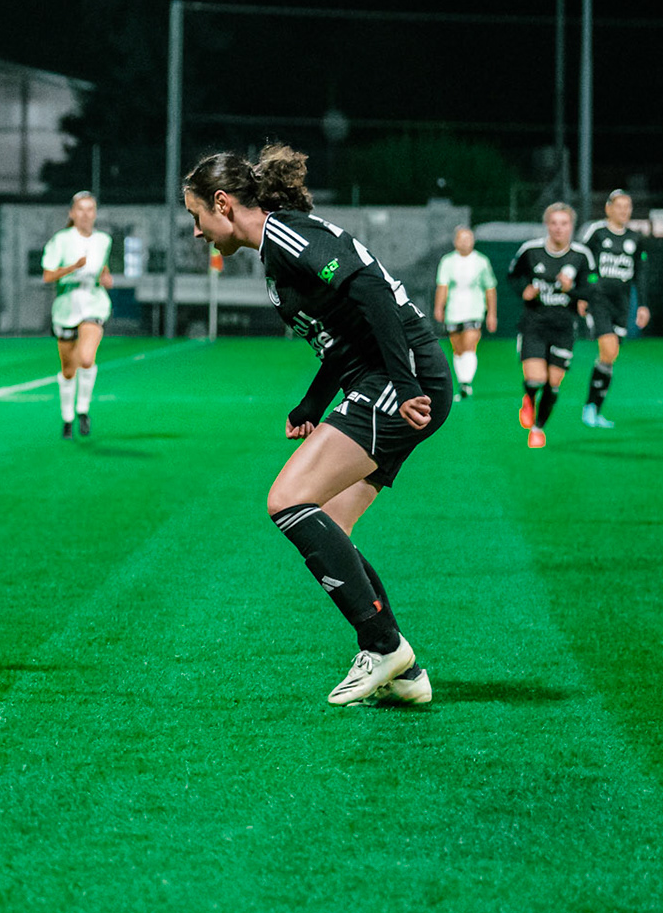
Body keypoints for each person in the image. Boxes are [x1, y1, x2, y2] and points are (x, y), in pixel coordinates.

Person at [183, 147, 444, 707]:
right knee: (329, 522)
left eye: (196, 215)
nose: (198, 231)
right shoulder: (276, 252)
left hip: (397, 380)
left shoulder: (288, 237)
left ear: (223, 204)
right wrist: (311, 403)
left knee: (287, 499)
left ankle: (382, 645)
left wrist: (404, 384)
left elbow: (373, 290)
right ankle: (405, 673)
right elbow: (344, 335)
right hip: (383, 379)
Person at [509, 203, 595, 449]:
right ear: (547, 225)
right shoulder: (531, 250)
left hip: (564, 328)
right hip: (534, 324)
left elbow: (591, 287)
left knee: (554, 382)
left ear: (571, 226)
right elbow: (513, 276)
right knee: (536, 378)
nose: (559, 228)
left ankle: (538, 428)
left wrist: (575, 292)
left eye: (564, 223)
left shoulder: (581, 255)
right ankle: (528, 397)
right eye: (554, 223)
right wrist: (524, 291)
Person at [41, 191, 113, 438]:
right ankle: (67, 418)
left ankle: (83, 410)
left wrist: (105, 276)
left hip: (94, 304)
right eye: (80, 209)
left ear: (95, 213)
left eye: (90, 209)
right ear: (72, 213)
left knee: (86, 357)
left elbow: (103, 267)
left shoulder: (103, 240)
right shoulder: (61, 240)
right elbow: (48, 275)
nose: (85, 214)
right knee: (69, 369)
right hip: (66, 307)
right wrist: (73, 267)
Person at [577, 190, 650, 428]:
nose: (624, 211)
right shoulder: (596, 232)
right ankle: (590, 409)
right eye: (620, 206)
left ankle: (594, 409)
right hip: (599, 301)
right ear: (608, 208)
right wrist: (582, 294)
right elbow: (581, 262)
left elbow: (640, 273)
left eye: (628, 207)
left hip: (622, 304)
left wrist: (643, 305)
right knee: (608, 349)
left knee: (609, 357)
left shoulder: (635, 238)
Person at [432, 225, 498, 401]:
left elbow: (490, 288)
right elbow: (442, 286)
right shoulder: (447, 261)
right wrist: (439, 307)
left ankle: (466, 383)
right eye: (461, 239)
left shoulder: (481, 261)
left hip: (474, 310)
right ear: (455, 241)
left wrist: (491, 313)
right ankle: (462, 381)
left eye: (468, 238)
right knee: (458, 348)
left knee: (470, 344)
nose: (465, 242)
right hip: (454, 311)